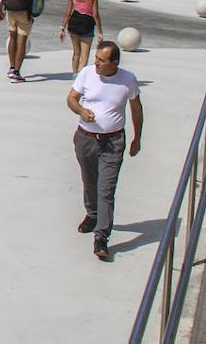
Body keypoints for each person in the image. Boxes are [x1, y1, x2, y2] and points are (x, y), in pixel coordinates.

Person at [67, 41, 143, 260]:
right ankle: (92, 215)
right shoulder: (87, 73)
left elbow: (136, 109)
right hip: (85, 139)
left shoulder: (128, 79)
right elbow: (71, 99)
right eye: (96, 59)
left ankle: (101, 236)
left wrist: (137, 138)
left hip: (113, 142)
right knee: (89, 181)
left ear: (114, 63)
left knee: (106, 189)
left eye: (101, 60)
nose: (96, 63)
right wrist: (81, 111)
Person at [59, 0, 103, 74]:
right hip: (87, 25)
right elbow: (95, 15)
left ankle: (75, 76)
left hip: (74, 24)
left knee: (76, 53)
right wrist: (100, 32)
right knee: (84, 55)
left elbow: (68, 14)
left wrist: (62, 28)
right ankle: (80, 78)